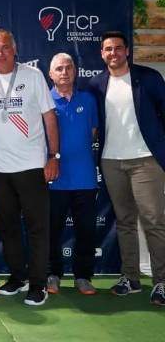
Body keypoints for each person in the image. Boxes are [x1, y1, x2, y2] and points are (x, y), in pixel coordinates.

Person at [0, 29, 59, 306]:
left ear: (15, 48)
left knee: (37, 228)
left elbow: (49, 117)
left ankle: (38, 284)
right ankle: (18, 276)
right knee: (8, 227)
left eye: (4, 47)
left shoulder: (33, 76)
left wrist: (53, 156)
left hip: (32, 166)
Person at [87, 31, 165, 306]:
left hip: (146, 160)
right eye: (108, 49)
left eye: (118, 48)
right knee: (125, 222)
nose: (113, 53)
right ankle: (130, 278)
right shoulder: (96, 84)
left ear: (127, 51)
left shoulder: (149, 78)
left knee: (154, 221)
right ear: (102, 53)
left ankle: (161, 282)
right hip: (111, 161)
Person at [46, 53, 99, 296]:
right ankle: (52, 274)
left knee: (86, 231)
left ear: (75, 71)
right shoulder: (44, 101)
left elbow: (93, 134)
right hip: (54, 179)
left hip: (85, 178)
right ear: (51, 74)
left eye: (68, 67)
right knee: (51, 231)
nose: (64, 72)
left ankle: (83, 277)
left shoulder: (88, 100)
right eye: (59, 68)